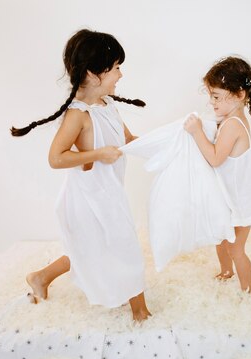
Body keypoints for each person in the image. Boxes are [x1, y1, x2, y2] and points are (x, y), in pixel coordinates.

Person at [10, 29, 151, 321]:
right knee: (123, 247)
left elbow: (128, 139)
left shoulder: (107, 105)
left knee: (91, 249)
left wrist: (163, 145)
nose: (121, 76)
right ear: (93, 74)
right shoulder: (79, 115)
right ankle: (141, 313)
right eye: (115, 68)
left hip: (106, 192)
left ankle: (41, 277)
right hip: (88, 198)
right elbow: (56, 157)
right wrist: (98, 154)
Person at [183, 56, 251, 293]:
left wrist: (196, 132)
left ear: (240, 95)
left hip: (241, 201)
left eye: (216, 97)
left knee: (236, 248)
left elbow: (214, 157)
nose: (211, 103)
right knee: (220, 238)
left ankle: (248, 290)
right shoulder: (228, 118)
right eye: (210, 96)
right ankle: (226, 270)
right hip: (228, 196)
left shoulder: (233, 124)